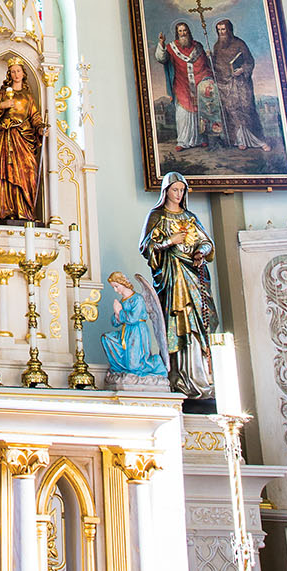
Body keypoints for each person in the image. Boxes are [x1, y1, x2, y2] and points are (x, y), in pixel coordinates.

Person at [139, 172, 217, 398]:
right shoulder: (157, 215)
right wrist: (169, 242)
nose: (179, 194)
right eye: (175, 190)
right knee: (176, 321)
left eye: (182, 190)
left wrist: (201, 252)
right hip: (172, 277)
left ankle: (199, 378)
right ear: (166, 192)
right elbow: (146, 247)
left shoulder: (190, 217)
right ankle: (179, 377)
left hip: (192, 274)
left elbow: (206, 242)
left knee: (197, 322)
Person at [0, 55, 45, 223]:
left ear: (23, 73)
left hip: (23, 139)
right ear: (9, 74)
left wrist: (40, 128)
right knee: (5, 173)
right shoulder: (2, 94)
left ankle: (24, 210)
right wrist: (2, 106)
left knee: (27, 173)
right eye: (12, 71)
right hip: (5, 136)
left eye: (18, 71)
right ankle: (4, 209)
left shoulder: (28, 96)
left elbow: (35, 117)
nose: (16, 74)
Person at [155, 20, 218, 149]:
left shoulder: (198, 46)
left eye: (185, 31)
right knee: (183, 113)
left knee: (201, 110)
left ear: (188, 31)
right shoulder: (172, 47)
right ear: (177, 33)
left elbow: (204, 65)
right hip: (181, 83)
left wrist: (207, 74)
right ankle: (183, 142)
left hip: (198, 81)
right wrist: (161, 44)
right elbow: (161, 58)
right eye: (180, 31)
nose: (183, 34)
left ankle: (201, 139)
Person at [212, 18, 265, 149]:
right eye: (219, 30)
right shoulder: (217, 47)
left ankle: (255, 141)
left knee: (246, 109)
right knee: (232, 111)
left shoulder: (240, 43)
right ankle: (239, 140)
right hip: (226, 85)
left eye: (223, 29)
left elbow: (249, 61)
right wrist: (210, 58)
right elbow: (216, 66)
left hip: (241, 83)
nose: (221, 32)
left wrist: (242, 69)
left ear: (229, 30)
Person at [100, 271, 166, 377]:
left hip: (137, 332)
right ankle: (119, 369)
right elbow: (115, 322)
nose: (115, 290)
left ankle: (156, 363)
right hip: (126, 332)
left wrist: (119, 312)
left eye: (116, 286)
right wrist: (117, 313)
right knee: (107, 339)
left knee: (134, 365)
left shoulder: (137, 299)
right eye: (114, 287)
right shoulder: (122, 301)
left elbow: (133, 318)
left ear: (123, 283)